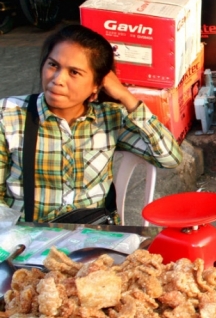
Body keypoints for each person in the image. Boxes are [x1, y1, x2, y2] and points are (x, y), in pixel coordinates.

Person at [0, 24, 183, 223]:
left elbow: (170, 158)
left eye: (74, 73)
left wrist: (125, 96)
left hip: (94, 235)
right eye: (53, 65)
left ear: (97, 84)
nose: (57, 79)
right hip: (28, 241)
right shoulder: (10, 114)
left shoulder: (110, 118)